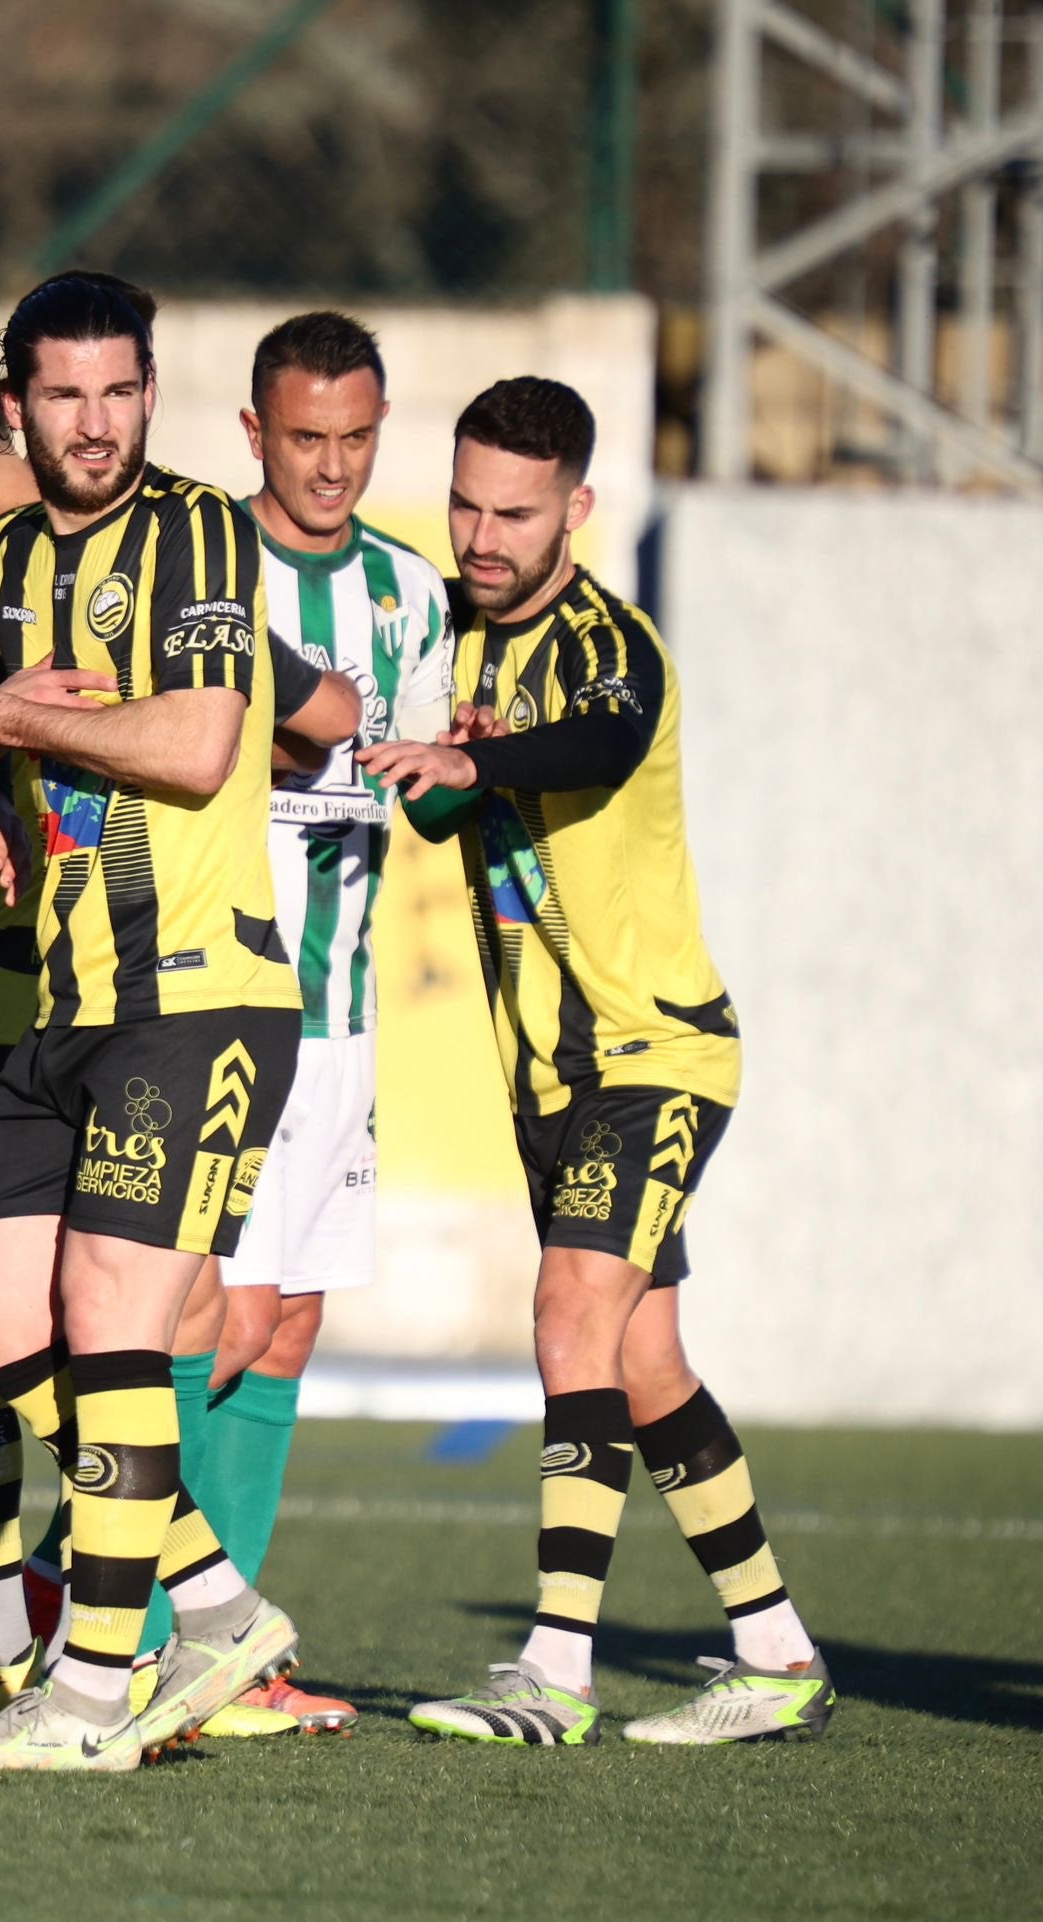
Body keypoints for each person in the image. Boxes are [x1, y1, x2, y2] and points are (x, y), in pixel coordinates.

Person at [0, 313, 357, 1742]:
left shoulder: (197, 538)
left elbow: (204, 742)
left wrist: (11, 729)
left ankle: (94, 1685)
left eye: (120, 391)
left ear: (154, 395)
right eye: (65, 393)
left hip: (193, 992)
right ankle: (219, 1609)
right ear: (17, 404)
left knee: (122, 1319)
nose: (96, 420)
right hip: (65, 1003)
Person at [360, 375, 834, 1746]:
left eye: (515, 511)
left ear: (576, 507)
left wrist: (466, 752)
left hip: (656, 1052)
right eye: (465, 503)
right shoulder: (450, 641)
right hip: (550, 1076)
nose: (482, 535)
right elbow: (447, 812)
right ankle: (778, 1647)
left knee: (569, 1311)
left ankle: (553, 1668)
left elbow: (602, 736)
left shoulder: (612, 647)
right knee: (642, 1360)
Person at [163, 309, 454, 1736]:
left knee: (288, 1329)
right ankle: (113, 1597)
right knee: (216, 1310)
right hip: (222, 989)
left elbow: (422, 778)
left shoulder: (410, 590)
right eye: (304, 438)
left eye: (355, 437)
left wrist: (452, 771)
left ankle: (221, 1652)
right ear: (252, 434)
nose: (332, 466)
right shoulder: (202, 557)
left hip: (337, 1007)